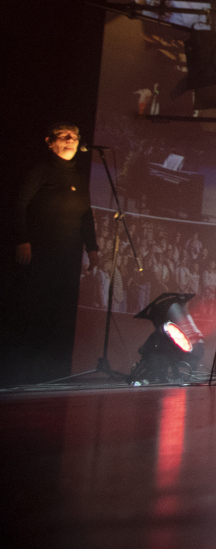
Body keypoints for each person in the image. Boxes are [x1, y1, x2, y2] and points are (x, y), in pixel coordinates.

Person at [12, 123, 101, 382]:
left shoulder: (79, 177)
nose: (71, 140)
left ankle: (51, 371)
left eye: (74, 136)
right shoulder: (41, 172)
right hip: (40, 255)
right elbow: (19, 204)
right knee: (35, 309)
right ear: (50, 142)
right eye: (64, 136)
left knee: (58, 314)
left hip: (68, 257)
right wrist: (22, 240)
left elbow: (86, 216)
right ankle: (23, 369)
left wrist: (92, 248)